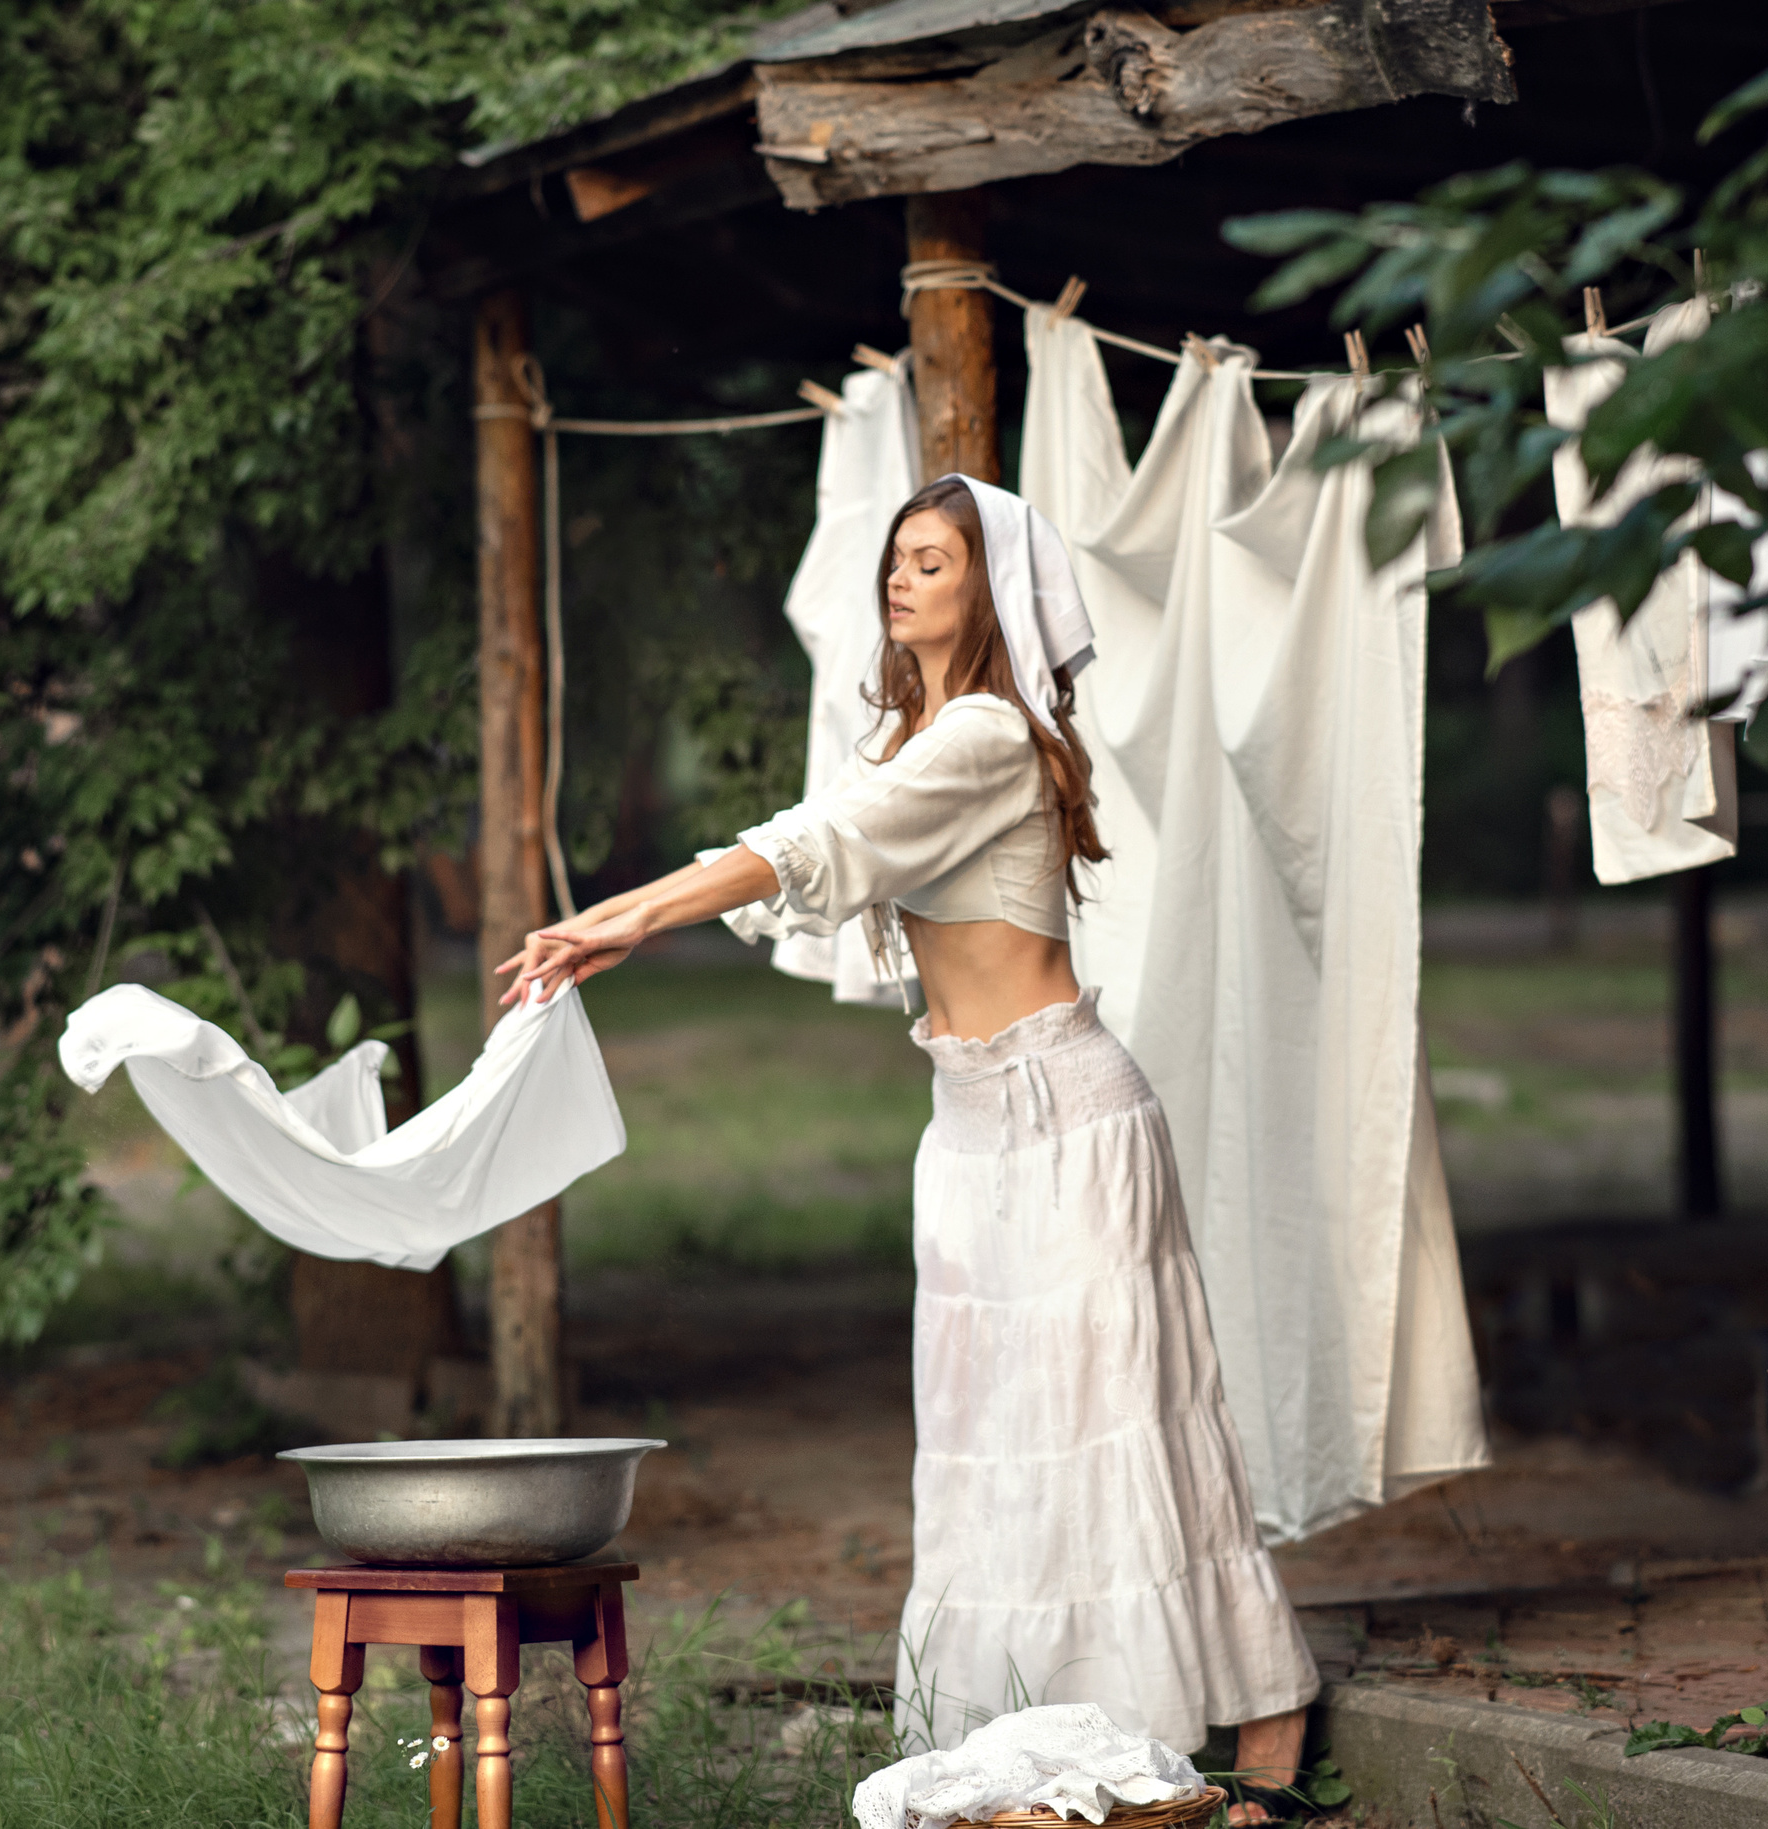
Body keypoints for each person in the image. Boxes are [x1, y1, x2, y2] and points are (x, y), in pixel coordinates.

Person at [497, 474, 1320, 1821]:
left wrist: (614, 922)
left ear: (987, 587)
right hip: (969, 1130)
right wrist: (607, 918)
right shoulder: (915, 742)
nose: (901, 576)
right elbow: (806, 843)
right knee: (993, 1444)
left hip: (1067, 1117)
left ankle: (1247, 1708)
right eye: (897, 558)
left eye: (932, 560)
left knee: (1119, 1425)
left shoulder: (990, 733)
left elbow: (802, 846)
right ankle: (1044, 1723)